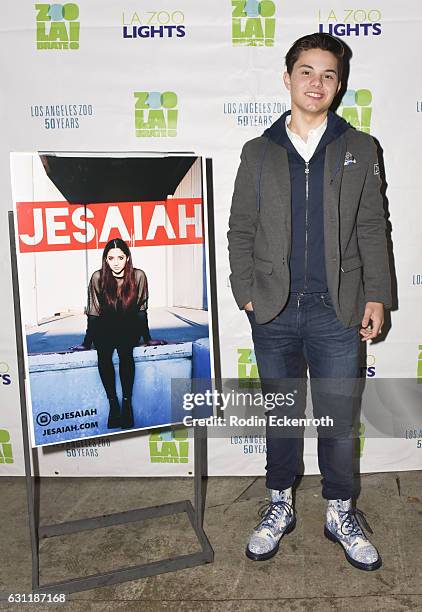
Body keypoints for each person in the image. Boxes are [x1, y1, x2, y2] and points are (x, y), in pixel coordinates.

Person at [227, 32, 391, 571]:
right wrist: (246, 292)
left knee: (339, 419)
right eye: (306, 71)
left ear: (338, 84)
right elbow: (240, 228)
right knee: (281, 415)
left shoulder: (360, 148)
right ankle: (279, 503)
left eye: (328, 74)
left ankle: (339, 511)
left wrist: (377, 295)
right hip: (272, 308)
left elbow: (373, 226)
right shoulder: (259, 151)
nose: (316, 83)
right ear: (287, 77)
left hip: (337, 310)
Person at [79, 238, 152, 430]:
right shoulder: (97, 277)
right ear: (106, 260)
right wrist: (87, 342)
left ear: (127, 258)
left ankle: (127, 404)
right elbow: (94, 313)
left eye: (120, 257)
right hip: (105, 326)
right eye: (111, 258)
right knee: (103, 354)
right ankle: (114, 404)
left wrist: (148, 338)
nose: (116, 262)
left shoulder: (138, 276)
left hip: (129, 325)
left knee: (125, 352)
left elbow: (141, 311)